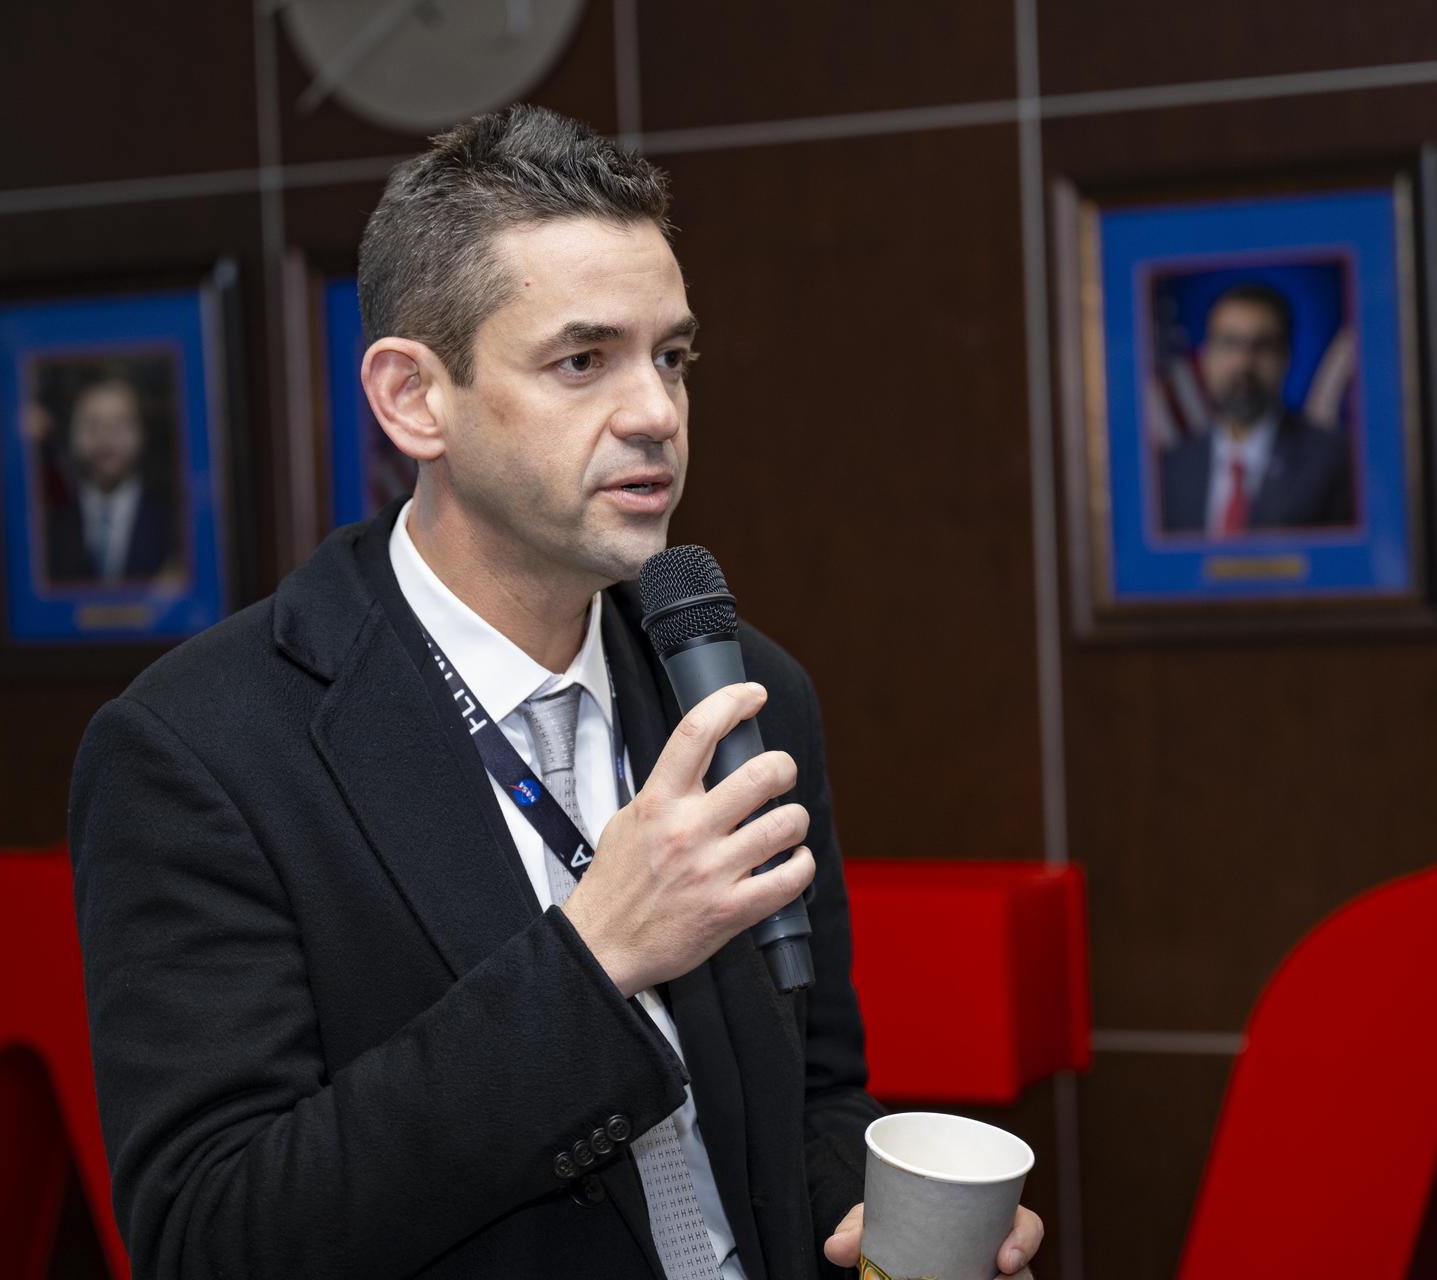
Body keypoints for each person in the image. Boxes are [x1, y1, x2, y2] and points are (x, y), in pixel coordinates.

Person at [68, 105, 1043, 1280]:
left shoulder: (742, 689)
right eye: (584, 360)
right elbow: (213, 1234)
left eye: (671, 355)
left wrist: (884, 1227)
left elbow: (813, 1096)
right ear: (413, 399)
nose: (657, 413)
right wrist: (594, 959)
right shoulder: (200, 750)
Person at [1156, 282, 1355, 536]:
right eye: (1229, 343)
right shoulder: (1171, 469)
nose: (1244, 363)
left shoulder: (1334, 461)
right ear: (1206, 357)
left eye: (1262, 345)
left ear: (1286, 358)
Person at [43, 367, 177, 583]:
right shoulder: (52, 530)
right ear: (72, 435)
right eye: (93, 425)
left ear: (142, 433)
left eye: (119, 424)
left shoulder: (171, 526)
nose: (106, 437)